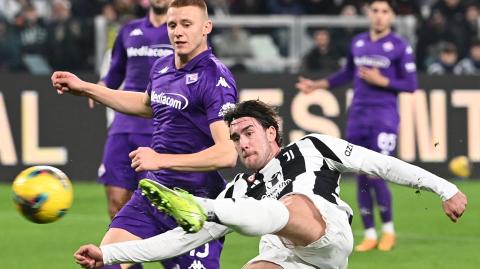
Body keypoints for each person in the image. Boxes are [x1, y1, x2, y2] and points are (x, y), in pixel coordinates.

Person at [72, 100, 467, 269]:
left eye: (248, 133)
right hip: (282, 256)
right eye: (236, 138)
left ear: (272, 132)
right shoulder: (239, 189)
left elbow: (378, 164)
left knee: (290, 203)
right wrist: (109, 256)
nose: (242, 144)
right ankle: (201, 209)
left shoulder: (311, 147)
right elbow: (181, 240)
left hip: (325, 234)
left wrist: (443, 188)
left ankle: (200, 207)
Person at [52, 0, 238, 269]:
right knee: (104, 263)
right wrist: (86, 88)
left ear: (206, 27)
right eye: (172, 25)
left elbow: (227, 153)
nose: (178, 32)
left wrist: (161, 160)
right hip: (154, 194)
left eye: (187, 24)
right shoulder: (162, 68)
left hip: (196, 204)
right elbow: (146, 105)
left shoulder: (215, 78)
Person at [296, 0, 418, 252]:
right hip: (358, 116)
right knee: (360, 173)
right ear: (369, 14)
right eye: (375, 11)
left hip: (384, 117)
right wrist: (316, 85)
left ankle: (388, 230)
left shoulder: (399, 46)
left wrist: (381, 79)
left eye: (385, 11)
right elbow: (346, 73)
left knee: (378, 172)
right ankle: (370, 234)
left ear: (392, 16)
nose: (380, 16)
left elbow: (410, 84)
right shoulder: (358, 42)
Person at [94, 0, 173, 221]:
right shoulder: (128, 30)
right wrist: (102, 86)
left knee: (161, 210)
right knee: (116, 203)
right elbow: (115, 71)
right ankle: (126, 255)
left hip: (162, 127)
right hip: (123, 126)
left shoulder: (181, 31)